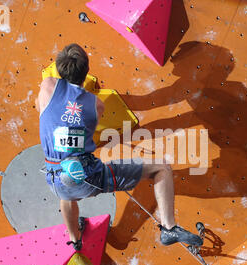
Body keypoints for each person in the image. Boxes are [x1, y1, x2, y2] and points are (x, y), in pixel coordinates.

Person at [35, 43, 203, 250]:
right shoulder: (97, 105)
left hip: (54, 178)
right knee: (161, 167)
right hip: (89, 177)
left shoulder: (47, 87)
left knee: (67, 192)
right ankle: (169, 227)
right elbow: (87, 123)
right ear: (87, 72)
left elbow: (42, 107)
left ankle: (76, 240)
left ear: (60, 69)